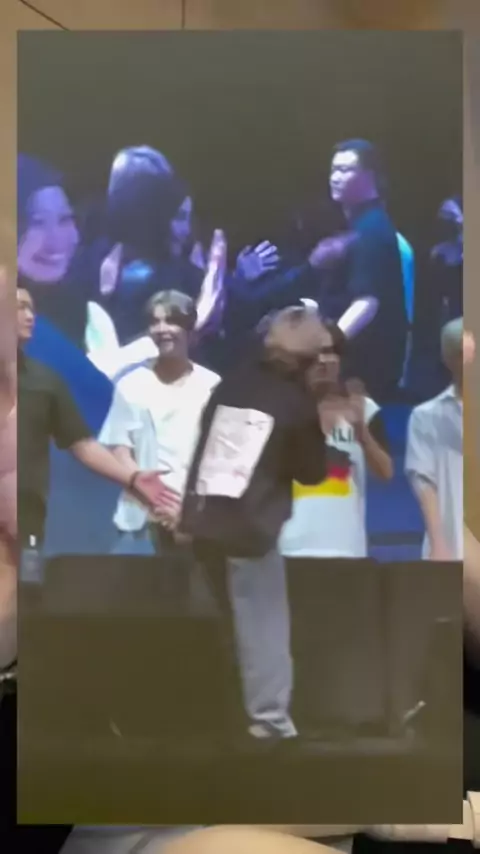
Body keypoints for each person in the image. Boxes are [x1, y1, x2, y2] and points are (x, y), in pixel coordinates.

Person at [177, 306, 344, 744]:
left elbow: (203, 447)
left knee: (224, 626)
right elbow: (312, 472)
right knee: (263, 627)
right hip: (250, 532)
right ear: (306, 360)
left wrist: (186, 515)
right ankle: (269, 720)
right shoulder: (294, 402)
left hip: (205, 524)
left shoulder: (230, 384)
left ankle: (221, 717)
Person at [17, 285, 178, 552]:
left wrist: (133, 478)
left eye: (31, 308)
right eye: (20, 307)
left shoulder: (45, 381)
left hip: (24, 520)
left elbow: (83, 444)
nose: (29, 316)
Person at [99, 291, 219, 580]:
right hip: (140, 518)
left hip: (194, 521)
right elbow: (119, 448)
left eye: (172, 321)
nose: (162, 329)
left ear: (190, 329)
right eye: (155, 322)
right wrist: (155, 499)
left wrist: (188, 513)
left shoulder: (211, 385)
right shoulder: (130, 383)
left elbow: (219, 458)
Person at [279, 330, 393, 560]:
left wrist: (361, 431)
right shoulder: (280, 409)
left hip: (346, 547)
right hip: (288, 546)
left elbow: (386, 473)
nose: (322, 361)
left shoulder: (366, 409)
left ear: (341, 360)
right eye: (314, 353)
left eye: (329, 352)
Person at [325, 139, 407, 399]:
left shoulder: (371, 230)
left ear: (369, 176)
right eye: (333, 170)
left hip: (363, 370)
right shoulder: (361, 225)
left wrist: (327, 348)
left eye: (345, 170)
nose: (335, 177)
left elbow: (367, 303)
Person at [405, 318, 463, 561]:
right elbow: (423, 482)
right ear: (448, 359)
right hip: (454, 544)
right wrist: (438, 543)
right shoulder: (426, 416)